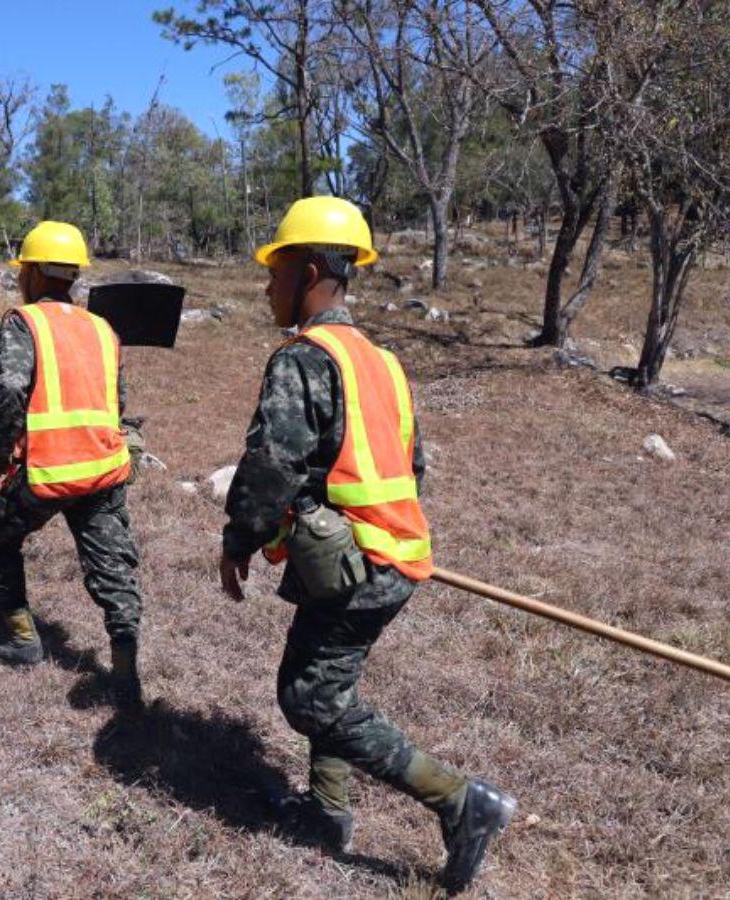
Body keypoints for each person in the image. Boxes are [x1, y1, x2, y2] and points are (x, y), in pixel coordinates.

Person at [219, 197, 515, 894]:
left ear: (312, 270)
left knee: (307, 699)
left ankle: (459, 801)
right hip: (392, 551)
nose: (266, 285)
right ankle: (326, 811)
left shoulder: (304, 359)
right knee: (331, 677)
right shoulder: (381, 360)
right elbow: (409, 465)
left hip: (363, 564)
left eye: (277, 269)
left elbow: (271, 464)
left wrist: (240, 538)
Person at [0, 220, 146, 708]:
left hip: (48, 472)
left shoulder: (22, 323)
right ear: (72, 275)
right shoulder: (102, 328)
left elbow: (8, 390)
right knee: (113, 566)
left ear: (28, 272)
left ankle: (23, 638)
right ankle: (125, 668)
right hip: (105, 468)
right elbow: (117, 401)